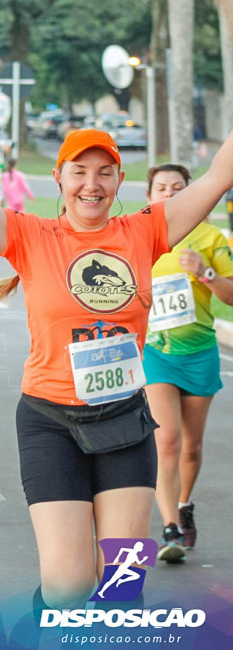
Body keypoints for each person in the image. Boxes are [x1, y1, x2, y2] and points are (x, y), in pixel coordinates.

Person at [0, 71, 233, 611]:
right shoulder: (29, 235)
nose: (92, 184)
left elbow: (218, 177)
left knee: (122, 586)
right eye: (80, 172)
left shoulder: (145, 230)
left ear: (118, 181)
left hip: (124, 421)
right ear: (58, 178)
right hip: (51, 423)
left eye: (105, 173)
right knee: (67, 587)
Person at [141, 164, 233, 563]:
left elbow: (230, 296)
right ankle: (170, 528)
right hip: (155, 352)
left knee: (191, 449)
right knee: (167, 441)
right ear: (150, 196)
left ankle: (184, 504)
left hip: (198, 351)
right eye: (161, 188)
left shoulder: (210, 237)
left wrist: (205, 272)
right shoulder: (138, 236)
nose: (170, 193)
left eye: (178, 187)